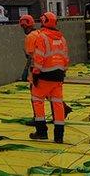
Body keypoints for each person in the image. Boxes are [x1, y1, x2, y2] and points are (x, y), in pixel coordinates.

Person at [29, 11, 70, 143]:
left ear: (43, 22)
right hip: (58, 76)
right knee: (57, 104)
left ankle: (41, 131)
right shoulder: (62, 39)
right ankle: (59, 136)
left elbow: (39, 57)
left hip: (44, 75)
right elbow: (65, 58)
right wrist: (63, 72)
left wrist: (35, 73)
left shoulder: (42, 37)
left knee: (37, 101)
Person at [19, 14, 40, 81]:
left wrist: (25, 71)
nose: (24, 29)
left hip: (36, 67)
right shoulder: (39, 33)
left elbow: (30, 56)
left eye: (24, 27)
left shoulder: (30, 37)